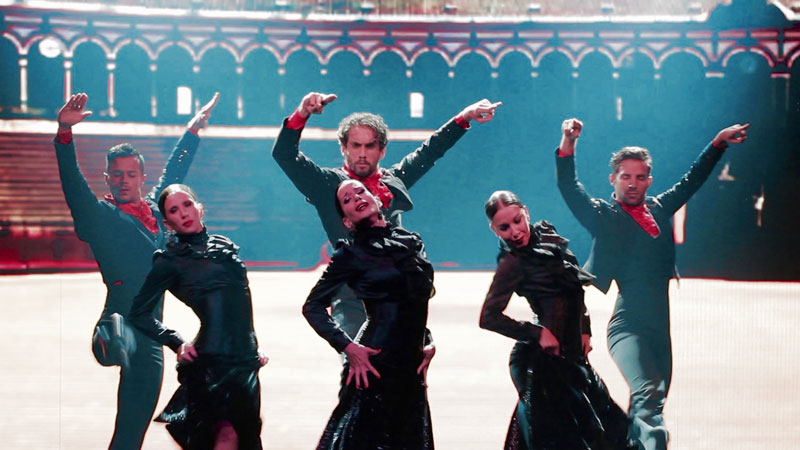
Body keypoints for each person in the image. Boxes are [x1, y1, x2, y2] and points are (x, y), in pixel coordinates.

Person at [555, 119, 750, 449]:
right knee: (648, 394)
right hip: (627, 328)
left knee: (648, 406)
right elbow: (569, 187)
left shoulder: (660, 208)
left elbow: (692, 179)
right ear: (613, 179)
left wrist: (718, 142)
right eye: (626, 177)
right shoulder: (603, 216)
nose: (633, 184)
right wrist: (568, 143)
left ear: (649, 180)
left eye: (640, 177)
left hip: (660, 329)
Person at [53, 92, 219, 449]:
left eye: (131, 174)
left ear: (142, 176)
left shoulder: (156, 212)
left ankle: (120, 343)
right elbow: (73, 184)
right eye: (116, 175)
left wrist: (192, 131)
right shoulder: (99, 216)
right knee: (119, 335)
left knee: (131, 432)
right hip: (121, 317)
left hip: (152, 333)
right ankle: (110, 340)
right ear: (107, 178)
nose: (124, 180)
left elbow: (174, 172)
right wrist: (64, 133)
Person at [273, 92, 501, 340]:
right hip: (353, 295)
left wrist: (465, 117)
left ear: (381, 150)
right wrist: (302, 113)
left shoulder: (393, 180)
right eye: (356, 145)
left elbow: (431, 150)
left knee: (409, 359)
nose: (362, 153)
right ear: (343, 148)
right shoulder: (328, 184)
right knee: (359, 358)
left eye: (370, 146)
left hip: (399, 292)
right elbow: (284, 155)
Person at [480, 190, 635, 450]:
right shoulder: (512, 263)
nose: (515, 232)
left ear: (526, 212)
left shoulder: (549, 238)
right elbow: (488, 317)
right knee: (565, 437)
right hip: (542, 361)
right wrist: (537, 333)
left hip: (572, 355)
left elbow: (574, 288)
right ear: (494, 230)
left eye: (518, 220)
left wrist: (584, 328)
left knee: (611, 431)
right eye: (504, 228)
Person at [129, 184, 268, 449]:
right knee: (226, 436)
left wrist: (252, 345)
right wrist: (176, 342)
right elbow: (139, 313)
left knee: (246, 438)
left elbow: (240, 306)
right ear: (167, 223)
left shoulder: (224, 245)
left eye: (187, 205)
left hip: (246, 359)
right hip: (212, 362)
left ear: (199, 208)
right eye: (174, 210)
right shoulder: (169, 261)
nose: (183, 213)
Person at [303, 179, 437, 450]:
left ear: (376, 199)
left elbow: (412, 299)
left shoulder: (410, 242)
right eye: (347, 200)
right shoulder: (350, 254)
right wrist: (349, 348)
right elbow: (312, 306)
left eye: (360, 191)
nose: (356, 197)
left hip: (411, 367)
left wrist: (427, 340)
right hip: (375, 365)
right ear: (346, 220)